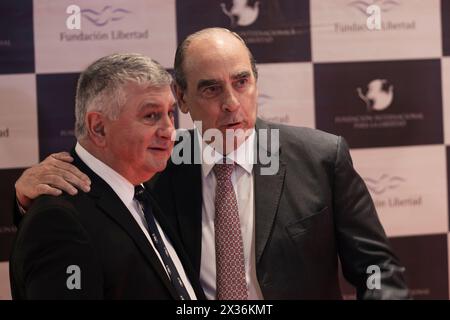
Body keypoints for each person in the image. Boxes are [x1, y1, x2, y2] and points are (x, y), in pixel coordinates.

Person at [13, 28, 409, 299]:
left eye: (241, 82)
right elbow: (96, 205)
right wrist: (25, 197)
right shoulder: (156, 167)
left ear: (256, 83)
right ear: (182, 99)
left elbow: (378, 269)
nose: (231, 103)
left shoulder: (321, 157)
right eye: (211, 88)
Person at [10, 53, 204, 300]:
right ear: (98, 127)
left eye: (170, 113)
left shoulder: (142, 188)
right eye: (151, 115)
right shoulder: (59, 220)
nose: (169, 131)